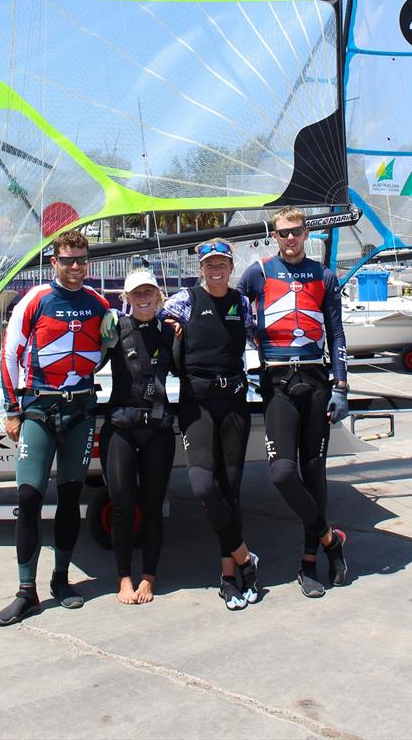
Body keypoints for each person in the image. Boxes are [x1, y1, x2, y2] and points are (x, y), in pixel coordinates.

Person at [0, 229, 112, 626]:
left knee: (70, 496)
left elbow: (110, 345)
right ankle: (26, 591)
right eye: (68, 260)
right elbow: (9, 355)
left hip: (80, 410)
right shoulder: (36, 299)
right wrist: (12, 409)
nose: (76, 267)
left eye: (82, 259)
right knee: (28, 497)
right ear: (54, 263)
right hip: (39, 410)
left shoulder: (98, 303)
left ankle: (62, 580)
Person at [237, 209, 349, 598]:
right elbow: (231, 309)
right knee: (283, 473)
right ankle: (332, 539)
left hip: (316, 381)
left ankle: (309, 563)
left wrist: (341, 386)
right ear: (274, 236)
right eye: (283, 233)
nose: (290, 239)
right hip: (278, 382)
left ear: (306, 234)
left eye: (296, 232)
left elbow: (336, 333)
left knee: (314, 473)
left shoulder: (324, 276)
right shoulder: (259, 273)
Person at [162, 239, 260, 610]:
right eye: (209, 264)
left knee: (230, 489)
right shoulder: (183, 302)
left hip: (234, 400)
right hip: (197, 402)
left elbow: (262, 338)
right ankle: (245, 557)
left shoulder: (241, 304)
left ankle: (229, 576)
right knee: (204, 486)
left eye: (222, 263)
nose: (216, 269)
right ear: (201, 269)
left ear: (231, 267)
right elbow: (148, 318)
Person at [99, 268, 176, 605]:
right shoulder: (116, 328)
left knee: (153, 506)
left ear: (158, 296)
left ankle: (149, 577)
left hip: (158, 428)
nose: (143, 297)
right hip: (121, 427)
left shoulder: (170, 331)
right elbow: (89, 360)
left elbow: (190, 365)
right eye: (136, 293)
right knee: (122, 506)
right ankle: (124, 578)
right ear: (126, 298)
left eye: (149, 292)